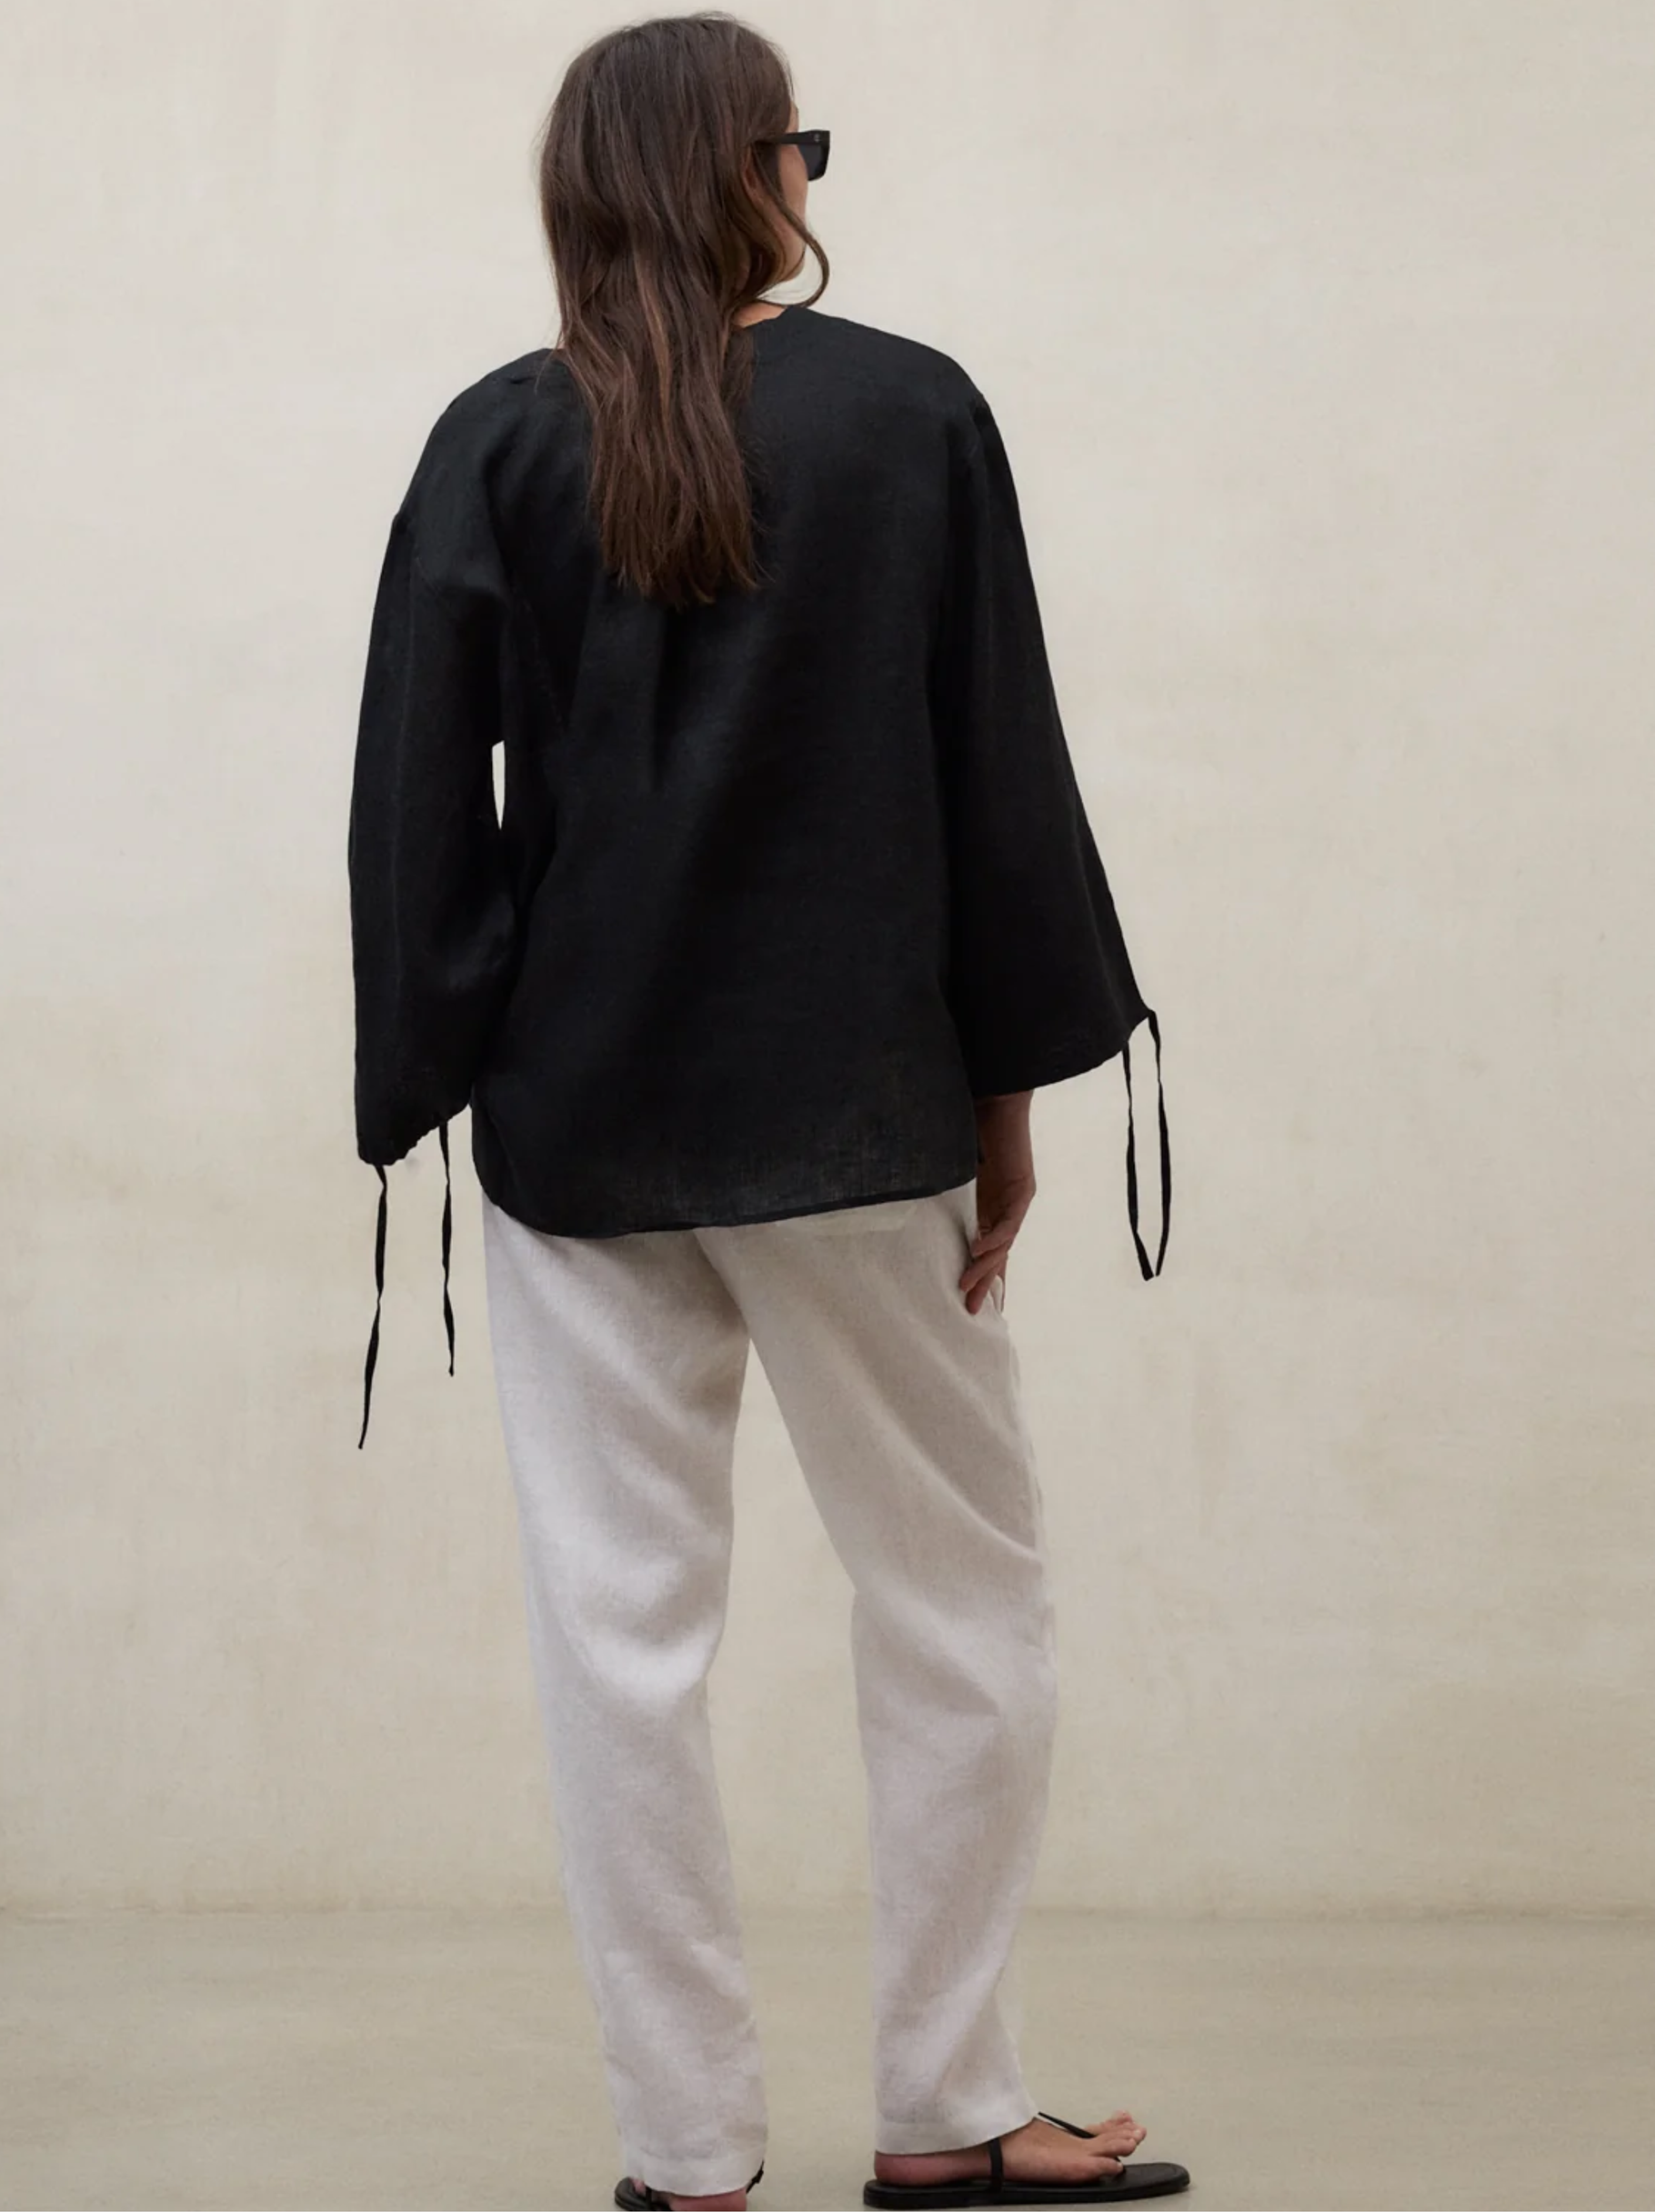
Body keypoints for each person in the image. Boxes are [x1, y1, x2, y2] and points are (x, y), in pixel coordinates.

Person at [346, 15, 1179, 2210]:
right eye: (794, 141)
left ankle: (687, 2152)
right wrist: (1006, 1096)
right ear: (742, 172)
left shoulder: (494, 438)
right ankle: (948, 2105)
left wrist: (437, 1076)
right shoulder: (910, 413)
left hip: (577, 1127)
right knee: (960, 1605)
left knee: (617, 1645)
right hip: (858, 1116)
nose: (809, 172)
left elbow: (418, 805)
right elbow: (993, 776)